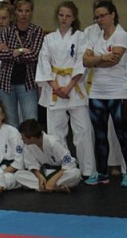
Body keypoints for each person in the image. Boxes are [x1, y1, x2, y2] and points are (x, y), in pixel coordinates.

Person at [36, 1, 95, 178]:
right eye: (61, 15)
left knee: (83, 130)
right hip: (54, 88)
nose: (64, 19)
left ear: (74, 18)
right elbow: (44, 62)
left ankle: (88, 169)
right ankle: (64, 168)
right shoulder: (49, 39)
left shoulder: (81, 37)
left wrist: (68, 87)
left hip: (74, 87)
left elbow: (82, 62)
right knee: (56, 133)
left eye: (68, 16)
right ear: (57, 16)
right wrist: (56, 87)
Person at [82, 1, 127, 187]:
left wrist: (96, 60)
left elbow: (114, 60)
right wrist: (102, 57)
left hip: (118, 91)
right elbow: (84, 61)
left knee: (122, 134)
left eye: (103, 16)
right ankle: (102, 172)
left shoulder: (121, 35)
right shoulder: (95, 35)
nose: (99, 20)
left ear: (112, 15)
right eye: (97, 17)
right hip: (97, 91)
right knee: (99, 135)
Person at [0, 0, 44, 126]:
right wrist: (21, 51)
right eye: (20, 11)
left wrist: (11, 52)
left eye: (27, 11)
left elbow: (34, 55)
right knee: (11, 123)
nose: (23, 14)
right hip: (5, 83)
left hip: (27, 83)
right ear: (15, 12)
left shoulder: (37, 31)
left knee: (30, 121)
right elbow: (0, 55)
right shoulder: (6, 31)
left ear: (31, 12)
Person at [14, 118, 81, 192]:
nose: (21, 139)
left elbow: (69, 162)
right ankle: (55, 187)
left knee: (76, 174)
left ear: (31, 138)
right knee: (18, 175)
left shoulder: (53, 143)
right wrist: (40, 177)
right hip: (44, 173)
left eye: (23, 136)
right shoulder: (28, 146)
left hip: (60, 173)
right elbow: (32, 165)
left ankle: (45, 186)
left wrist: (53, 179)